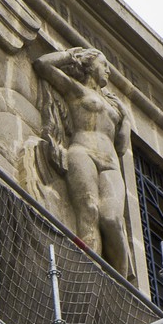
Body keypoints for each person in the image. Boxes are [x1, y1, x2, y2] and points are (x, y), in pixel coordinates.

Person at [34, 47, 132, 276]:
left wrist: (126, 118)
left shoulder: (115, 105)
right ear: (89, 65)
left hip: (110, 162)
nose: (107, 70)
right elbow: (41, 64)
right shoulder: (76, 90)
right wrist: (71, 55)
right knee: (89, 210)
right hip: (82, 151)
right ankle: (89, 275)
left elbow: (122, 146)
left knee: (112, 219)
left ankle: (120, 288)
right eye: (103, 64)